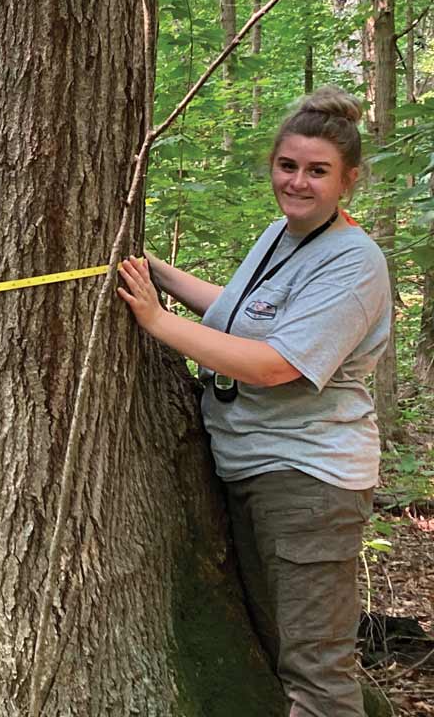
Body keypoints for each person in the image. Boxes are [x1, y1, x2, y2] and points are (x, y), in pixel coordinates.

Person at [117, 87, 391, 717]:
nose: (297, 182)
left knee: (317, 677)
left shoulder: (354, 263)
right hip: (252, 467)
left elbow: (276, 364)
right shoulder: (280, 235)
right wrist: (156, 270)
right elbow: (243, 317)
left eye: (318, 171)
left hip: (310, 481)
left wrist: (159, 324)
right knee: (271, 647)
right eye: (287, 165)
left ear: (347, 180)